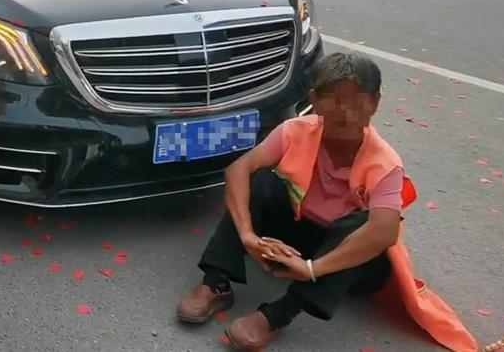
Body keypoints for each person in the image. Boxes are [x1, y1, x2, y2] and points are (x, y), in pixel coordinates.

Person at [176, 53, 475, 351]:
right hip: (297, 231)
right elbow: (238, 169)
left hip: (345, 253)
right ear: (315, 100)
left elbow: (384, 231)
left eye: (357, 101)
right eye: (333, 100)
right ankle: (215, 281)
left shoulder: (385, 163)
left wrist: (312, 268)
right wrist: (247, 235)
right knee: (262, 180)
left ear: (374, 103)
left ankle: (279, 313)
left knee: (364, 224)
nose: (345, 112)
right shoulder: (295, 131)